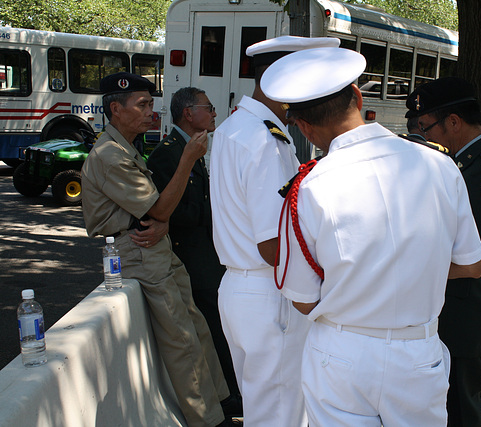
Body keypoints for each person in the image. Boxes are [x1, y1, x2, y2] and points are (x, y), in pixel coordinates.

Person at [262, 46, 481, 427]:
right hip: (418, 351)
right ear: (359, 96)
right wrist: (410, 269)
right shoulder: (441, 165)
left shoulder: (309, 188)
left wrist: (367, 276)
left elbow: (301, 299)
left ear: (302, 126)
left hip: (343, 354)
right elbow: (472, 265)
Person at [81, 72, 234, 427]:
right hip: (137, 250)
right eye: (143, 104)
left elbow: (157, 212)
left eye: (152, 103)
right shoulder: (109, 154)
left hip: (153, 243)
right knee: (181, 340)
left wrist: (160, 219)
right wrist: (187, 160)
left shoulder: (126, 146)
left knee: (197, 328)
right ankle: (209, 419)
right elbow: (160, 209)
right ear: (116, 109)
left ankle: (221, 403)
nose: (152, 111)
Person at [208, 36, 339, 426]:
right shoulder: (264, 139)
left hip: (243, 289)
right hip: (271, 289)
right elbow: (272, 244)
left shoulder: (238, 127)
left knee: (265, 407)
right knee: (280, 412)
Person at [406, 77, 481, 427]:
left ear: (454, 121)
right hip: (449, 309)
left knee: (462, 412)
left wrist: (409, 268)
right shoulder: (462, 164)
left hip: (464, 315)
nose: (424, 137)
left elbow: (474, 259)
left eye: (426, 127)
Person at [146, 87, 241, 411]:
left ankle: (231, 391)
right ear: (188, 113)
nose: (214, 113)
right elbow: (170, 211)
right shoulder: (168, 153)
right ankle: (229, 397)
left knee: (220, 321)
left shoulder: (189, 147)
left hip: (206, 253)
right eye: (209, 107)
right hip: (189, 255)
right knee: (213, 323)